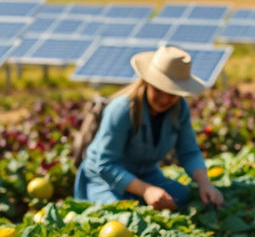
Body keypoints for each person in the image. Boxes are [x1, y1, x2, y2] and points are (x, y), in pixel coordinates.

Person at [74, 45, 224, 210]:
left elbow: (189, 151)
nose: (164, 99)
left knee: (181, 196)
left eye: (172, 93)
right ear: (146, 82)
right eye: (159, 90)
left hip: (146, 175)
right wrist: (146, 190)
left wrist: (205, 184)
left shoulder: (179, 109)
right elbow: (105, 165)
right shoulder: (123, 109)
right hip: (105, 180)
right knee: (122, 215)